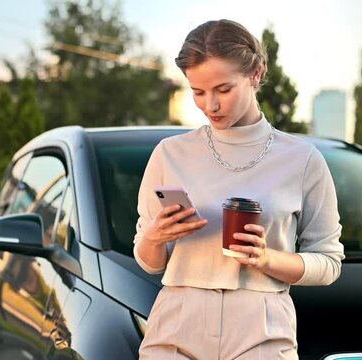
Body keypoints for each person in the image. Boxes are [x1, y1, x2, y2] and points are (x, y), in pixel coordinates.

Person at [133, 19, 344, 359]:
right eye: (198, 92)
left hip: (261, 332)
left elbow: (329, 263)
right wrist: (154, 239)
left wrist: (267, 258)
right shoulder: (169, 154)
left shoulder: (303, 160)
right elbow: (149, 264)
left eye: (223, 89)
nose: (210, 106)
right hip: (175, 326)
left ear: (256, 73)